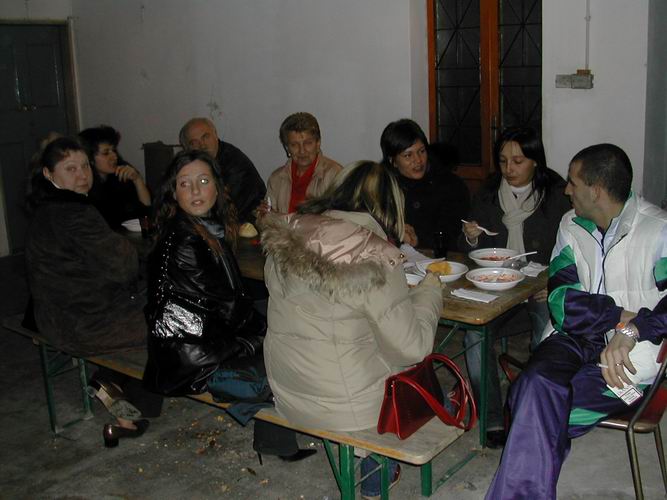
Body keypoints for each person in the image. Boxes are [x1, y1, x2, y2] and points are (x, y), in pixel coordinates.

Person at [486, 143, 667, 499]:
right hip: (571, 337)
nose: (566, 190)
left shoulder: (658, 231)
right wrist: (617, 316)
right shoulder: (571, 224)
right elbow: (560, 298)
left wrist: (633, 330)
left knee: (533, 409)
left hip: (631, 359)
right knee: (533, 387)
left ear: (595, 190)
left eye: (573, 182)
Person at [260, 160, 443, 498]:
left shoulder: (286, 234)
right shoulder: (375, 254)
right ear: (389, 206)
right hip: (346, 409)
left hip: (287, 389)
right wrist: (430, 291)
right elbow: (412, 348)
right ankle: (375, 465)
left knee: (346, 335)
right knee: (414, 362)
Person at [142, 150, 314, 463]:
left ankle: (275, 441)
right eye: (185, 183)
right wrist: (266, 331)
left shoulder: (200, 227)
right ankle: (279, 440)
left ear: (218, 188)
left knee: (279, 325)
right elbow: (225, 308)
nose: (195, 191)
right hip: (192, 358)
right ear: (173, 192)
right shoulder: (185, 239)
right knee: (287, 350)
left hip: (194, 344)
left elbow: (225, 303)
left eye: (203, 181)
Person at [25, 136, 162, 447]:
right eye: (70, 168)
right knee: (169, 318)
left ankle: (121, 401)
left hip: (53, 316)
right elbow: (123, 266)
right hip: (85, 323)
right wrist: (124, 248)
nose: (82, 175)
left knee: (154, 304)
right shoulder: (73, 212)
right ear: (48, 173)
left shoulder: (47, 209)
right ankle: (114, 384)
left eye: (85, 166)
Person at [460, 127, 571, 448]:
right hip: (498, 290)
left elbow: (574, 249)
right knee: (474, 336)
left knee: (545, 333)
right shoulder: (488, 193)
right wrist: (471, 237)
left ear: (535, 161)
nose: (509, 169)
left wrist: (554, 280)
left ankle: (531, 409)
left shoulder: (557, 195)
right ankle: (493, 417)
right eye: (503, 161)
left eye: (518, 161)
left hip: (538, 290)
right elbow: (470, 252)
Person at [380, 118, 469, 250]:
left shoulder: (450, 185)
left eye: (421, 151)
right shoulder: (382, 186)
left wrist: (418, 240)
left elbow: (454, 235)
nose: (418, 160)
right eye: (408, 155)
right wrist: (395, 233)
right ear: (392, 161)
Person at [179, 117, 265, 224]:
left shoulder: (234, 164)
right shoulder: (191, 166)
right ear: (187, 149)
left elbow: (225, 209)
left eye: (205, 137)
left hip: (246, 224)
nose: (202, 145)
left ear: (215, 135)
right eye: (194, 142)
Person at [263, 112, 342, 214]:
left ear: (318, 143)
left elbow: (341, 218)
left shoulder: (335, 175)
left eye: (308, 143)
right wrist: (264, 216)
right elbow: (268, 219)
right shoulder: (276, 179)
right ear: (287, 148)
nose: (302, 151)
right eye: (294, 145)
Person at [78, 125, 151, 229]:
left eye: (114, 150)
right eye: (106, 153)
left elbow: (146, 212)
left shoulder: (121, 175)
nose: (114, 156)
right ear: (89, 158)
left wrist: (137, 180)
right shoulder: (84, 185)